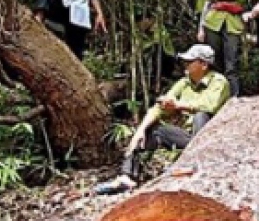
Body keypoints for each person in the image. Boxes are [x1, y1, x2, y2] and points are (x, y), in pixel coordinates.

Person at [94, 44, 230, 195]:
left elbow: (209, 106)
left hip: (211, 139)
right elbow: (161, 107)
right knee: (152, 130)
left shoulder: (219, 82)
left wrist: (178, 106)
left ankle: (196, 165)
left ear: (203, 64)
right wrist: (140, 130)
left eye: (190, 61)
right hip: (190, 138)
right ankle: (128, 176)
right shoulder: (184, 83)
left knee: (201, 116)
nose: (185, 64)